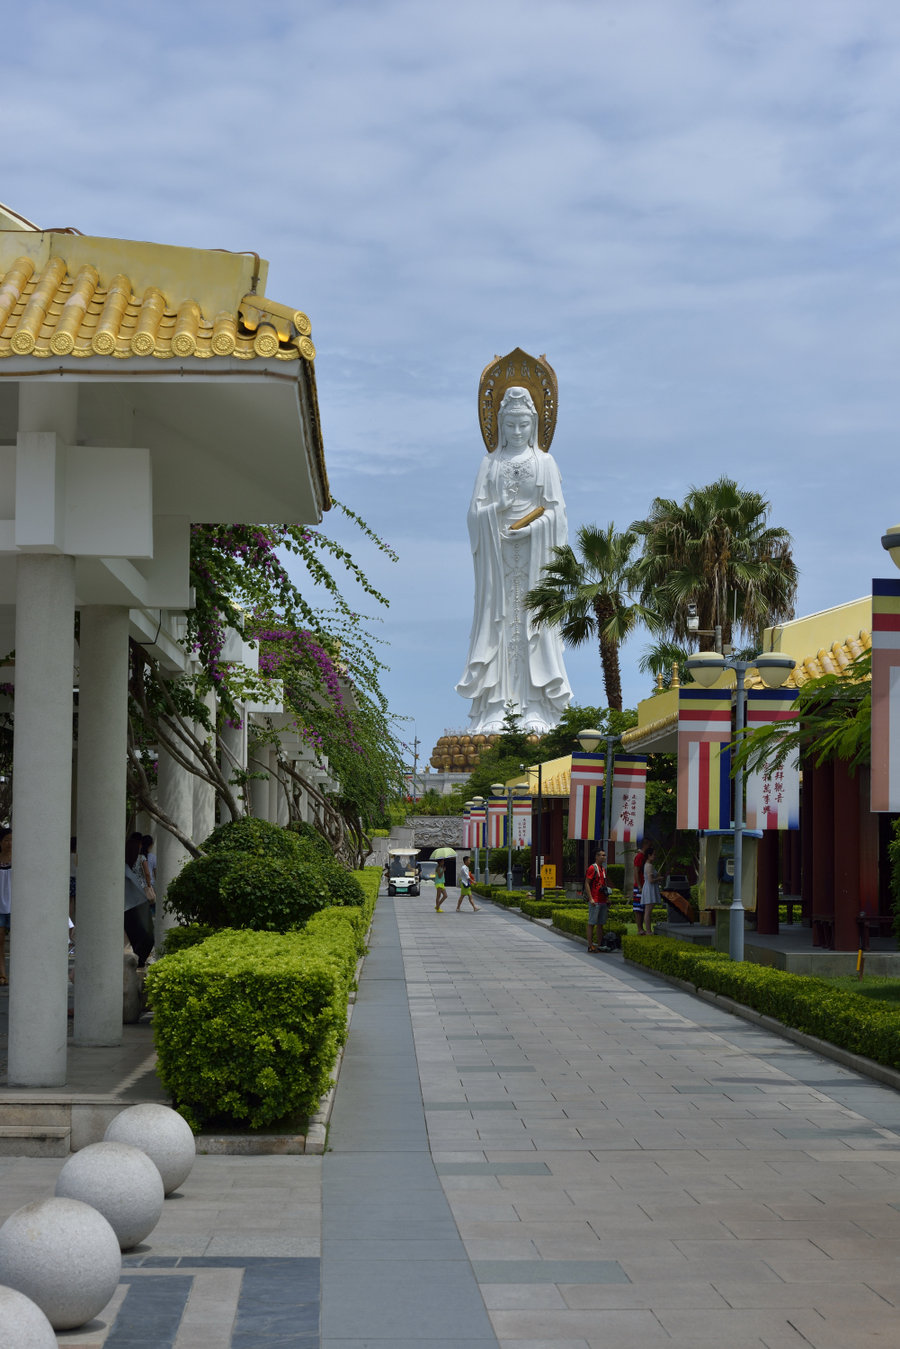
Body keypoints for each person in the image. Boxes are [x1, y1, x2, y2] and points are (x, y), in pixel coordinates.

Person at [456, 377, 572, 733]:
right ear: (500, 426)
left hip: (535, 556)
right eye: (511, 425)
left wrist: (534, 528)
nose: (518, 431)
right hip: (498, 558)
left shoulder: (545, 463)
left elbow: (556, 514)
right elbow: (473, 515)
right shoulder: (489, 464)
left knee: (534, 624)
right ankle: (498, 706)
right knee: (500, 623)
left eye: (524, 425)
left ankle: (535, 705)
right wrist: (497, 509)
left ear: (534, 425)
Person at [124, 832, 154, 967]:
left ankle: (138, 958)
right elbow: (147, 873)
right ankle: (140, 958)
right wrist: (149, 886)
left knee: (134, 933)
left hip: (128, 902)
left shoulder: (123, 863)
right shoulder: (141, 857)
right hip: (140, 896)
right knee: (145, 932)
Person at [585, 847, 610, 952]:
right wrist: (591, 898)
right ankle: (590, 945)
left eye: (604, 855)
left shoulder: (603, 869)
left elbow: (604, 885)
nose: (604, 857)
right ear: (596, 856)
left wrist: (607, 898)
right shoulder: (592, 868)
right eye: (602, 855)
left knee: (601, 924)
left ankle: (599, 945)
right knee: (592, 923)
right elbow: (587, 883)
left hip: (603, 900)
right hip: (595, 900)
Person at [641, 842, 661, 935]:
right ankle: (648, 930)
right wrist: (659, 879)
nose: (655, 856)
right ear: (649, 855)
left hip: (650, 887)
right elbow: (651, 880)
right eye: (654, 854)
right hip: (650, 888)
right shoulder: (648, 866)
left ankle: (648, 929)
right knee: (648, 910)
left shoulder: (649, 865)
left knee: (649, 910)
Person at [0, 827, 10, 985]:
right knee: (0, 941)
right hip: (1, 907)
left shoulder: (21, 858)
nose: (10, 843)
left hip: (19, 905)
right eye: (7, 840)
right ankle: (2, 974)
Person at [632, 841, 647, 934]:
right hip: (640, 885)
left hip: (644, 885)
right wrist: (639, 885)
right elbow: (636, 871)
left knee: (643, 908)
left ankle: (641, 928)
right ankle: (639, 928)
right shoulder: (639, 856)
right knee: (638, 908)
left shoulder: (644, 856)